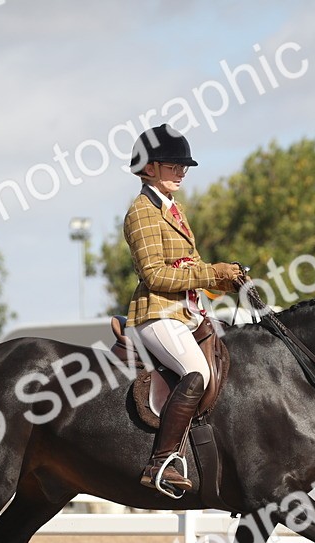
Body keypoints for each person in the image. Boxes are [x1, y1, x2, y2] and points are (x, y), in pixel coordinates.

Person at [124, 124, 244, 494]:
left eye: (183, 166)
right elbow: (156, 275)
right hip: (157, 313)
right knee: (197, 371)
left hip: (187, 314)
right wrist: (210, 272)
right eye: (174, 165)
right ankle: (161, 462)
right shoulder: (142, 212)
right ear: (150, 168)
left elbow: (191, 265)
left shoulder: (173, 209)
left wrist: (222, 280)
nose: (182, 171)